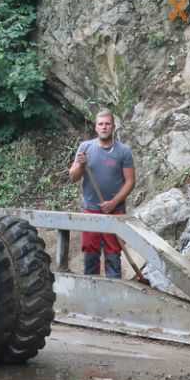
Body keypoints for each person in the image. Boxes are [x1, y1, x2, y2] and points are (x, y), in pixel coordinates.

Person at [69, 109, 136, 278]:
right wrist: (82, 166)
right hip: (91, 210)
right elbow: (73, 177)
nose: (104, 127)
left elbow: (130, 181)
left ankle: (114, 292)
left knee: (113, 254)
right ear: (96, 127)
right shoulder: (85, 148)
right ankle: (91, 290)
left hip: (115, 212)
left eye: (107, 124)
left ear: (113, 127)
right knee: (90, 255)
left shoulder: (123, 151)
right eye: (101, 124)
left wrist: (113, 203)